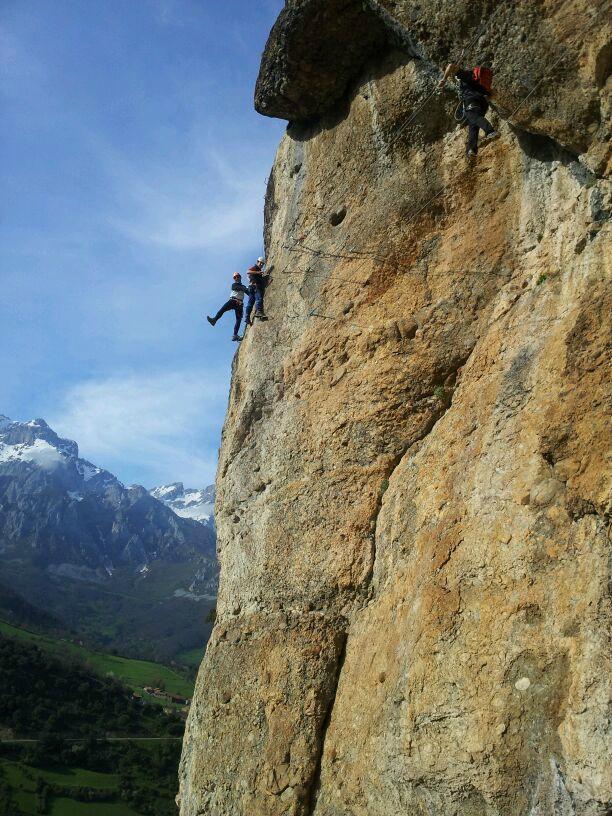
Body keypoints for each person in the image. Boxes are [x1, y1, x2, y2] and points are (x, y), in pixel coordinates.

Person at [439, 62, 499, 158]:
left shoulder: (464, 74)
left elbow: (450, 65)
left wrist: (444, 79)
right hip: (482, 102)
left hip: (471, 100)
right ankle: (471, 150)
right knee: (473, 124)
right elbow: (491, 94)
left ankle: (490, 131)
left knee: (472, 115)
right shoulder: (475, 80)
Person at [207, 272, 249, 341]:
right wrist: (246, 288)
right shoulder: (234, 285)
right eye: (235, 277)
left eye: (237, 277)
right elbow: (239, 288)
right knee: (222, 309)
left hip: (239, 303)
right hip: (233, 301)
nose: (236, 278)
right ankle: (214, 320)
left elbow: (249, 293)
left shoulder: (243, 287)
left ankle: (235, 335)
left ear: (240, 277)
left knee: (238, 319)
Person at [245, 257, 268, 325]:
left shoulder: (258, 271)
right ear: (257, 262)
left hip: (251, 286)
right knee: (259, 298)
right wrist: (258, 272)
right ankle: (259, 312)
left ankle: (247, 318)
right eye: (260, 262)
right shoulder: (255, 268)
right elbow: (248, 271)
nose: (261, 264)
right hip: (255, 286)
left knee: (250, 302)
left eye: (262, 263)